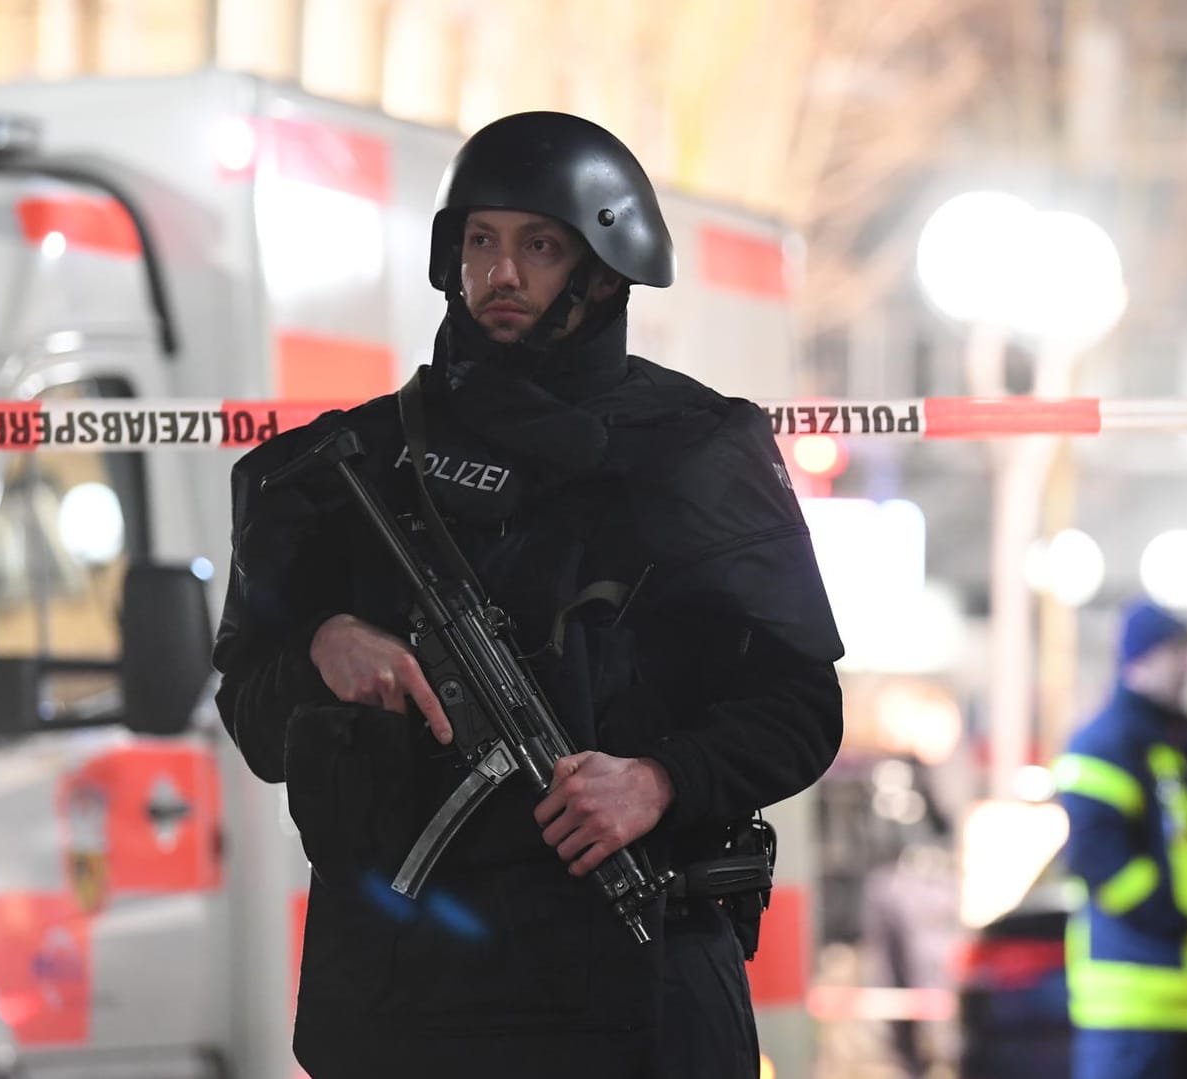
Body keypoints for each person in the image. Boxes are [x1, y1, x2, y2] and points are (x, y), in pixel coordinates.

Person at [212, 111, 844, 1078]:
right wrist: (319, 648)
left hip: (634, 987)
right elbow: (254, 717)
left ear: (602, 267)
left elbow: (803, 710)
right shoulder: (348, 469)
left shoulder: (695, 452)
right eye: (480, 242)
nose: (500, 275)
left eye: (538, 246)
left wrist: (659, 779)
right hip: (403, 1002)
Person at [1053, 599, 1187, 1079]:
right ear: (1140, 659)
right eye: (1176, 652)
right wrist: (1173, 919)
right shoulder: (1104, 744)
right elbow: (1098, 857)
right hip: (1134, 1003)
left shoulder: (1181, 742)